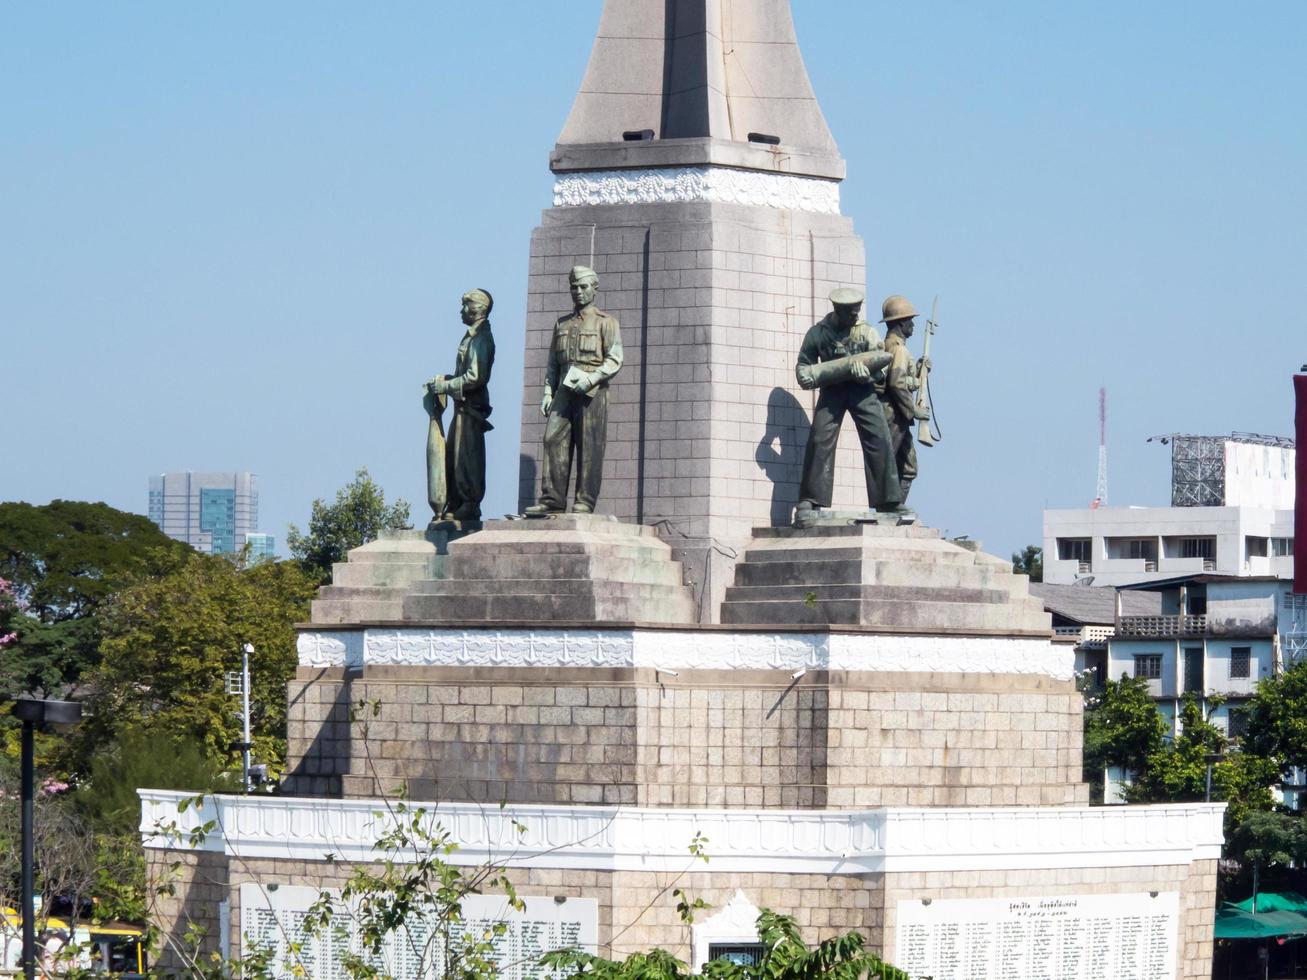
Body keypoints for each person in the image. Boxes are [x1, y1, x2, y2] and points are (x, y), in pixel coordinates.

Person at [793, 287, 901, 527]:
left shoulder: (867, 332)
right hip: (832, 391)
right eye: (851, 313)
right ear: (838, 310)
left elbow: (882, 366)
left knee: (879, 438)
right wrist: (814, 376)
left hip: (863, 391)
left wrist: (869, 376)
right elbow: (803, 367)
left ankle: (889, 500)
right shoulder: (817, 334)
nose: (855, 316)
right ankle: (811, 499)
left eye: (857, 311)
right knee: (820, 440)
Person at [525, 266, 624, 515]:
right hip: (564, 390)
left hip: (592, 393)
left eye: (583, 286)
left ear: (595, 289)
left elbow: (615, 359)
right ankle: (552, 501)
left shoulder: (606, 322)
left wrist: (592, 379)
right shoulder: (562, 324)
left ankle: (585, 501)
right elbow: (552, 364)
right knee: (552, 440)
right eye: (573, 287)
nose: (577, 292)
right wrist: (548, 392)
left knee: (589, 447)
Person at [425, 288, 496, 521]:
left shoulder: (481, 338)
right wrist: (447, 380)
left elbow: (476, 377)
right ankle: (456, 503)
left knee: (468, 457)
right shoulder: (471, 336)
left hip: (471, 409)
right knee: (455, 457)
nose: (461, 310)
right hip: (461, 407)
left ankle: (470, 503)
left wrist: (446, 387)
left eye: (465, 305)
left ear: (477, 308)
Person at [876, 294, 932, 505]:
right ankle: (890, 507)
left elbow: (900, 380)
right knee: (889, 464)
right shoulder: (899, 349)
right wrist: (914, 411)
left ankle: (895, 506)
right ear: (901, 323)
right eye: (910, 320)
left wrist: (919, 372)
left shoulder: (888, 346)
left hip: (897, 414)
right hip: (894, 415)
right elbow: (896, 384)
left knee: (908, 466)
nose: (913, 325)